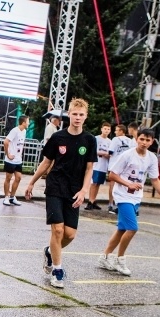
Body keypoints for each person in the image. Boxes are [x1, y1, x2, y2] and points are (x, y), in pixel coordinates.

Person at [25, 97, 96, 289]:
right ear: (68, 115)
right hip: (55, 186)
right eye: (74, 114)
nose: (78, 117)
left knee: (70, 234)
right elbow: (46, 163)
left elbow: (89, 169)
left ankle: (50, 251)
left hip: (74, 190)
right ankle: (57, 270)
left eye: (81, 115)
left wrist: (84, 190)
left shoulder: (89, 140)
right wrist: (31, 183)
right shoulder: (58, 137)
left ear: (85, 117)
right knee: (57, 230)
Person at [97, 128, 160, 276]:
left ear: (152, 142)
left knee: (122, 229)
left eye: (147, 140)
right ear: (137, 139)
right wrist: (128, 184)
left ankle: (104, 257)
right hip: (122, 195)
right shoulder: (127, 155)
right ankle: (120, 259)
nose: (144, 142)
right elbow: (112, 175)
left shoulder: (151, 158)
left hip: (136, 197)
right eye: (142, 139)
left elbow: (155, 179)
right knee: (132, 228)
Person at [106, 124, 134, 214]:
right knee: (123, 186)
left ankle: (111, 204)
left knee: (112, 185)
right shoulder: (130, 141)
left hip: (114, 165)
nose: (115, 132)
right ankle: (120, 205)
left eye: (117, 130)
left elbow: (110, 152)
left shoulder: (115, 139)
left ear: (122, 131)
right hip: (125, 167)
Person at [84, 122, 112, 210]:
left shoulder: (110, 141)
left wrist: (108, 155)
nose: (106, 130)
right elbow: (93, 151)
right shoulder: (96, 138)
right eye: (105, 129)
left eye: (108, 129)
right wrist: (103, 153)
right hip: (96, 164)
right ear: (101, 129)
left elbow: (110, 153)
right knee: (94, 183)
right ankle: (90, 201)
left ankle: (94, 200)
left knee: (98, 183)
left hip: (104, 166)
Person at [2, 115, 28, 206]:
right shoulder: (14, 131)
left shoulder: (24, 131)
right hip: (10, 159)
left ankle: (12, 197)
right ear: (23, 122)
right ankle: (6, 197)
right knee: (8, 178)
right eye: (28, 121)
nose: (28, 123)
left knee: (18, 178)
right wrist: (8, 154)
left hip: (18, 159)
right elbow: (5, 142)